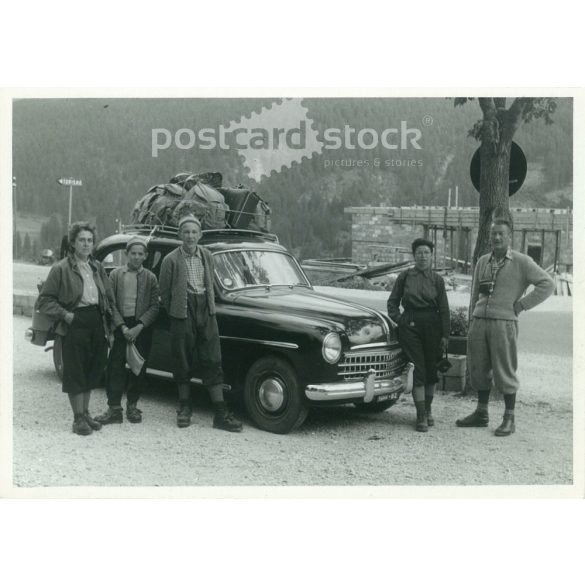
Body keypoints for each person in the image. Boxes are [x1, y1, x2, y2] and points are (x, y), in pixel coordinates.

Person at [456, 217, 554, 436]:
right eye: (494, 234)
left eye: (501, 233)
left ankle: (509, 418)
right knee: (478, 369)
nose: (497, 237)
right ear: (489, 237)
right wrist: (473, 315)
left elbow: (548, 284)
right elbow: (475, 292)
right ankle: (481, 413)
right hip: (479, 321)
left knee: (505, 371)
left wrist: (520, 306)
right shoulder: (483, 261)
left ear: (510, 237)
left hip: (504, 323)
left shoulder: (522, 262)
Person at [159, 215, 242, 432]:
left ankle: (220, 413)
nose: (190, 236)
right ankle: (185, 407)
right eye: (186, 232)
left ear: (200, 235)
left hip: (206, 310)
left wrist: (209, 309)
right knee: (182, 359)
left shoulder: (207, 256)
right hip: (182, 312)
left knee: (212, 359)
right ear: (180, 235)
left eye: (194, 232)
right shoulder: (171, 260)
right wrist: (176, 312)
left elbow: (211, 286)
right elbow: (164, 293)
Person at [37, 222, 113, 436]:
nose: (86, 244)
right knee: (76, 371)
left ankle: (86, 413)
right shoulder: (61, 268)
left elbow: (107, 297)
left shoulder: (97, 267)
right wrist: (66, 315)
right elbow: (44, 301)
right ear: (72, 243)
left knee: (93, 369)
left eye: (90, 240)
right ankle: (77, 419)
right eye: (82, 240)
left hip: (96, 321)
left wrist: (111, 325)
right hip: (74, 322)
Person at [387, 238, 450, 432]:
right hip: (411, 327)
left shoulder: (437, 280)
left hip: (433, 327)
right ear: (414, 255)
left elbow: (444, 309)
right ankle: (421, 415)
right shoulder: (405, 277)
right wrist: (401, 320)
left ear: (432, 256)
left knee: (431, 371)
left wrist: (445, 335)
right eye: (419, 253)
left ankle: (428, 409)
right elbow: (392, 303)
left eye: (426, 253)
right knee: (418, 369)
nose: (423, 256)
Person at [96, 236, 160, 425]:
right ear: (126, 254)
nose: (136, 257)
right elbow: (110, 303)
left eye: (141, 254)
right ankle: (114, 408)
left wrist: (139, 326)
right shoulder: (116, 275)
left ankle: (133, 405)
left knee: (138, 367)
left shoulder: (150, 277)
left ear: (145, 256)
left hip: (140, 327)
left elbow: (154, 306)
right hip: (121, 325)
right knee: (115, 365)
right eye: (133, 253)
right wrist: (122, 327)